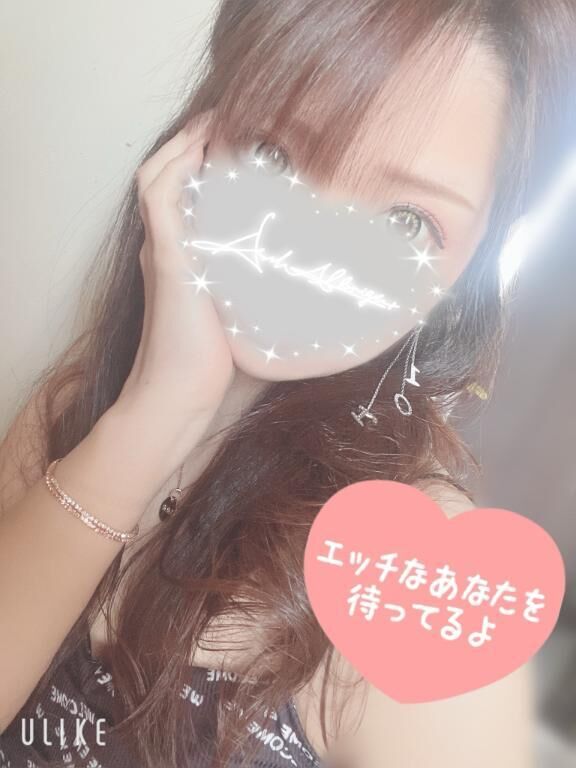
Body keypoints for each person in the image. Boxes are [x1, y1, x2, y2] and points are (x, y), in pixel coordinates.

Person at [0, 1, 575, 766]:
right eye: (275, 155)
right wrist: (152, 416)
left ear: (465, 271)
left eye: (407, 222)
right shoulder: (73, 405)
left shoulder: (430, 586)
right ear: (199, 136)